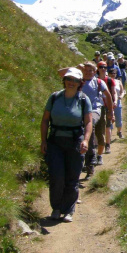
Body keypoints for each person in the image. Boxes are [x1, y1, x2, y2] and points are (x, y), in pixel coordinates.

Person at [40, 68, 92, 223]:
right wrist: (43, 141)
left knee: (72, 177)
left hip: (75, 142)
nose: (71, 83)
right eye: (69, 79)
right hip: (55, 141)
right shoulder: (55, 97)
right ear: (64, 80)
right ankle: (56, 208)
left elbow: (88, 122)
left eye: (75, 80)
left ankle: (69, 209)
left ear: (79, 83)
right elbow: (45, 120)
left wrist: (86, 140)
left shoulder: (83, 100)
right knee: (56, 176)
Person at [97, 61, 117, 154]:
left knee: (108, 126)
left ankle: (107, 145)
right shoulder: (95, 80)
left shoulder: (110, 80)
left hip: (108, 105)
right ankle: (98, 145)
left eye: (105, 67)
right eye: (101, 67)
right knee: (99, 127)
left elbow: (113, 93)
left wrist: (115, 101)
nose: (103, 69)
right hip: (98, 106)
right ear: (98, 68)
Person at [108, 66, 125, 139]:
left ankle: (119, 131)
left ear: (116, 74)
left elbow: (122, 91)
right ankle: (109, 134)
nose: (113, 74)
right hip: (109, 102)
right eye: (111, 73)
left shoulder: (118, 82)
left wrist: (121, 96)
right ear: (108, 74)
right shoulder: (106, 81)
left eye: (114, 73)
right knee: (109, 118)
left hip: (117, 101)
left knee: (118, 117)